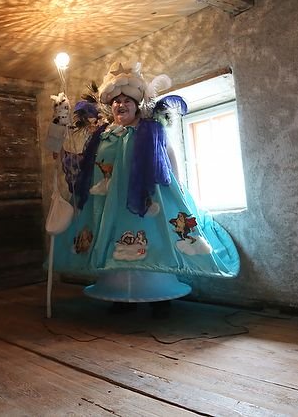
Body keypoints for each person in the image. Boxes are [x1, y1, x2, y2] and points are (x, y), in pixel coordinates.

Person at [50, 61, 240, 318]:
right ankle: (120, 295)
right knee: (115, 243)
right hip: (111, 203)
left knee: (155, 240)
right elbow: (87, 165)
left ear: (136, 104)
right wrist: (60, 148)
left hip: (150, 199)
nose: (121, 105)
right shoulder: (103, 134)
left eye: (127, 100)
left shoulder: (151, 128)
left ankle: (159, 296)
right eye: (116, 101)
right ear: (110, 105)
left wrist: (178, 187)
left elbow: (168, 156)